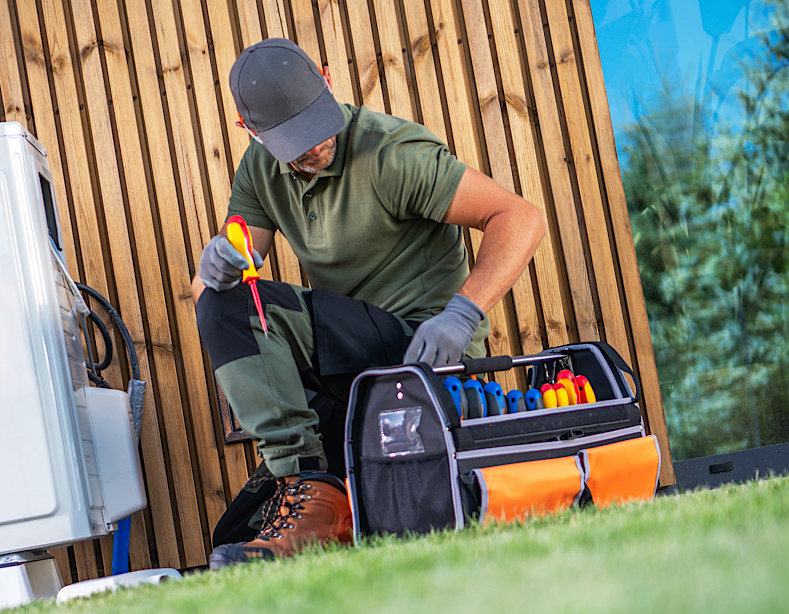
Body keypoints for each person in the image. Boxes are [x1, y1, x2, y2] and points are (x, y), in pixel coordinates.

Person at [193, 38, 545, 569]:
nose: (315, 145)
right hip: (350, 362)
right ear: (252, 133)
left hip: (421, 356)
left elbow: (520, 219)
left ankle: (321, 494)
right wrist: (213, 266)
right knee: (224, 305)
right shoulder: (259, 173)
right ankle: (310, 488)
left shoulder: (390, 154)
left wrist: (463, 313)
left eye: (318, 123)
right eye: (295, 139)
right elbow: (224, 298)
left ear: (328, 80)